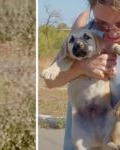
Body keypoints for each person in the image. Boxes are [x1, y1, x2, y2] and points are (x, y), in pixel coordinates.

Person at [44, 0, 120, 149]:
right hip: (82, 139)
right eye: (102, 24)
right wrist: (82, 68)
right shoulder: (83, 31)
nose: (111, 32)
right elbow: (50, 82)